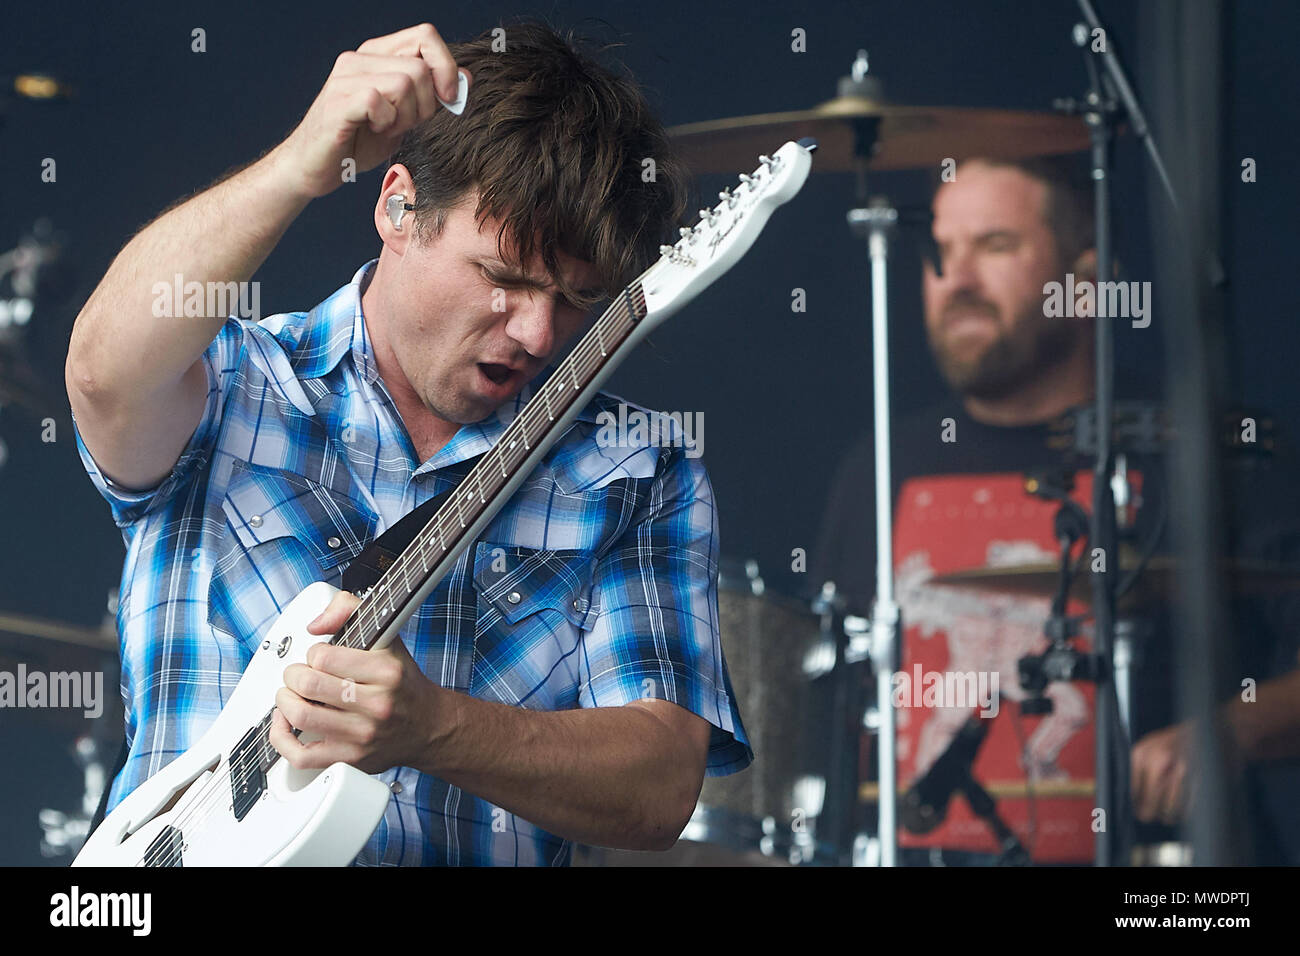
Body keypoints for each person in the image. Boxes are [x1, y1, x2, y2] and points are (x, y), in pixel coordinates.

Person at [66, 20, 750, 866]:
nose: (538, 331)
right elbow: (100, 376)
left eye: (576, 299)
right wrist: (298, 163)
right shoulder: (229, 382)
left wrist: (439, 729)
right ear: (398, 206)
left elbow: (660, 790)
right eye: (503, 279)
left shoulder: (636, 468)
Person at [811, 155, 1300, 863]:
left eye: (996, 245)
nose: (958, 280)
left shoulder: (1207, 451)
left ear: (1087, 277)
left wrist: (1226, 733)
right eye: (940, 251)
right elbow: (823, 718)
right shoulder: (881, 466)